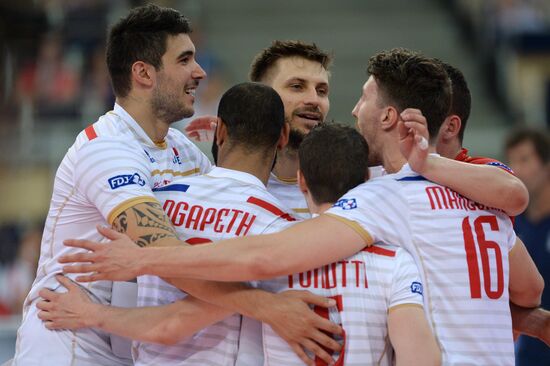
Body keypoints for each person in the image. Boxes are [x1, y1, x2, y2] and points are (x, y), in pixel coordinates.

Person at [60, 48, 543, 365]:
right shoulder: (473, 197)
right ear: (270, 116)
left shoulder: (372, 197)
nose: (340, 106)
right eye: (296, 88)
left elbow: (258, 260)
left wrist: (142, 258)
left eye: (331, 91)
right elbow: (527, 274)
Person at [14, 5, 338, 366]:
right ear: (143, 73)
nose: (199, 72)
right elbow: (168, 257)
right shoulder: (106, 148)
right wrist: (270, 306)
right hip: (70, 335)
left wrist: (241, 131)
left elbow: (225, 206)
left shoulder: (182, 148)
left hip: (132, 338)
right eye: (184, 60)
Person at [261, 123, 440, 365]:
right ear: (367, 179)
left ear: (300, 180)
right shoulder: (395, 262)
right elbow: (421, 360)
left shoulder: (264, 257)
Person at [190, 40, 331, 219]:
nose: (314, 100)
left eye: (322, 91)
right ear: (261, 97)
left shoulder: (344, 190)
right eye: (297, 87)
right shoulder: (210, 188)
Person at [505, 128, 550, 365]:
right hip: (524, 353)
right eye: (511, 161)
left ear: (547, 165)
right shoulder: (508, 225)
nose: (516, 169)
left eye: (524, 159)